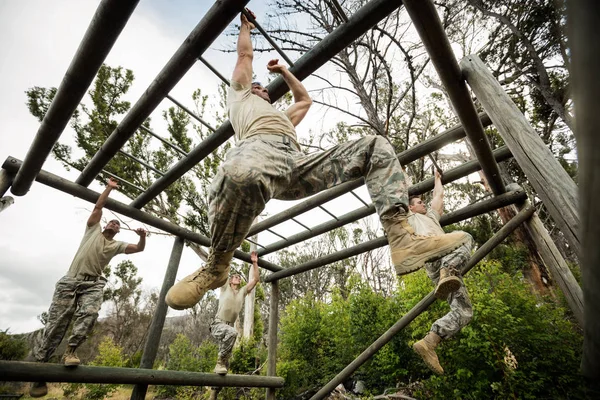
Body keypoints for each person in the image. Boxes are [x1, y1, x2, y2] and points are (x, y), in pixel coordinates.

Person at [164, 10, 470, 310]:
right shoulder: (240, 100)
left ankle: (402, 237)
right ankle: (217, 264)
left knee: (374, 147)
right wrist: (246, 28)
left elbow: (304, 100)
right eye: (254, 85)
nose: (258, 87)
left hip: (296, 165)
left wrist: (284, 72)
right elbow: (244, 57)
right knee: (240, 172)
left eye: (262, 87)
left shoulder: (283, 117)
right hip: (258, 150)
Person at [28, 178, 147, 398]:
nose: (114, 224)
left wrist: (142, 237)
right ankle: (39, 371)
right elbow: (99, 207)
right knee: (56, 325)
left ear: (119, 231)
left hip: (92, 284)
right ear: (105, 225)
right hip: (71, 281)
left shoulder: (116, 245)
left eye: (117, 224)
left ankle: (71, 350)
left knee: (90, 314)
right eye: (112, 222)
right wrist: (109, 188)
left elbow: (138, 249)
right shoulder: (92, 231)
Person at [408, 169, 474, 375]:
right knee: (465, 237)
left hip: (440, 270)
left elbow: (438, 197)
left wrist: (437, 179)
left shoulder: (432, 217)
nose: (423, 204)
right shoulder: (409, 217)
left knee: (464, 311)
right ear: (410, 207)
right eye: (419, 202)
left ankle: (430, 341)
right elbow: (402, 193)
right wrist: (402, 173)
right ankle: (448, 270)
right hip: (434, 253)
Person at [210, 251, 260, 375]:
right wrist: (230, 254)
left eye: (239, 277)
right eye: (235, 277)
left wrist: (254, 263)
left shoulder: (242, 292)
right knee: (232, 333)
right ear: (231, 281)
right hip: (218, 324)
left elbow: (256, 280)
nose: (238, 278)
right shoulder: (225, 287)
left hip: (229, 328)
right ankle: (220, 361)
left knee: (225, 367)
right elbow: (224, 270)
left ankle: (214, 391)